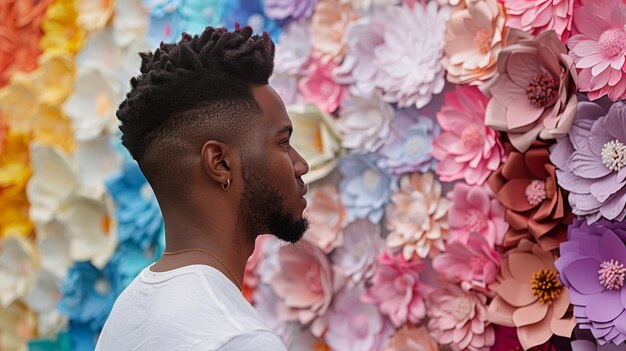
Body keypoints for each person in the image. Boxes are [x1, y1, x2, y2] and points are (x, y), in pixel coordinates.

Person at [95, 25, 310, 350]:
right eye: (283, 142)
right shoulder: (237, 338)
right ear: (220, 163)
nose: (301, 164)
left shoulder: (127, 312)